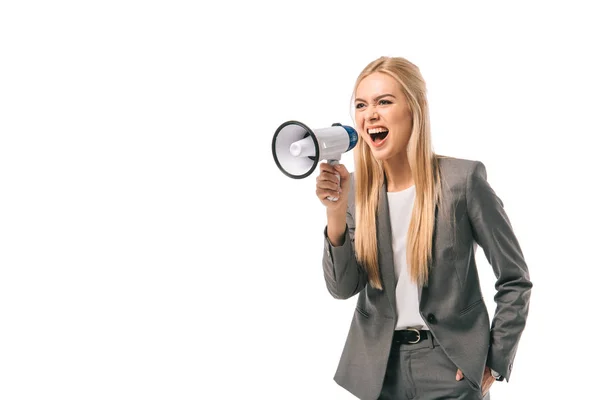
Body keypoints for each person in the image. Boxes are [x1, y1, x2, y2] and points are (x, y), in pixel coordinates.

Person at [316, 56, 532, 400]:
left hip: (452, 369)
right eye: (361, 104)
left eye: (384, 102)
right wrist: (336, 213)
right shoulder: (354, 191)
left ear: (414, 109)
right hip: (378, 371)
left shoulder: (463, 181)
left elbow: (515, 278)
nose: (370, 113)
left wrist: (494, 358)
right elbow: (343, 289)